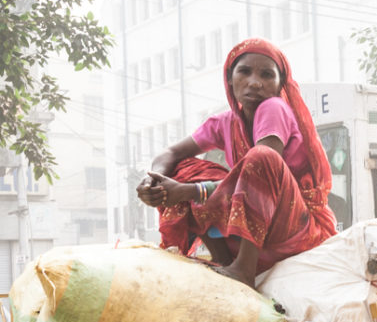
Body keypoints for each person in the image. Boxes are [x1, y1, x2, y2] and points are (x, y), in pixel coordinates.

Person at [136, 38, 337, 288]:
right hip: (261, 226)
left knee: (259, 158)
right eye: (244, 72)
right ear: (230, 79)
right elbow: (169, 153)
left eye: (266, 75)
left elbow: (264, 165)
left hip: (299, 227)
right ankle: (223, 259)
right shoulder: (225, 122)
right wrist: (153, 180)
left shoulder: (275, 108)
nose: (255, 82)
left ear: (278, 86)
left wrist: (188, 191)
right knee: (185, 167)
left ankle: (244, 269)